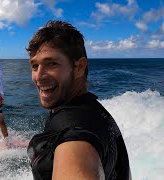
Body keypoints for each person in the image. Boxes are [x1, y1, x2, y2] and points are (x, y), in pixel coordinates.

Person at [26, 20, 131, 180]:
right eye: (35, 66)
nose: (39, 76)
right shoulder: (93, 109)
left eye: (52, 63)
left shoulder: (74, 139)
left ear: (80, 67)